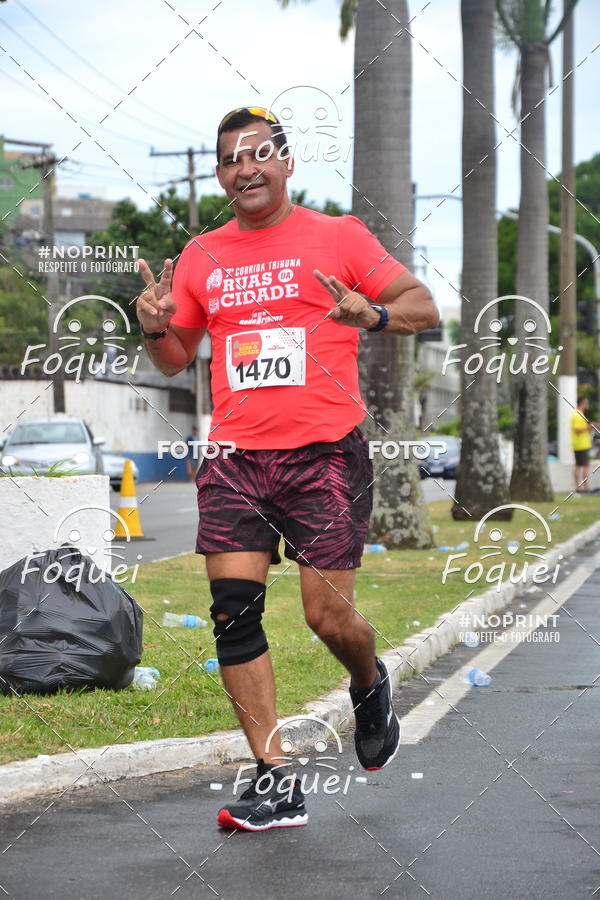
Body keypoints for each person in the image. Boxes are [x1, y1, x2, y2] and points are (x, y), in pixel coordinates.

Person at [136, 107, 439, 832]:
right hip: (237, 458)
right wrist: (153, 324)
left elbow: (422, 307)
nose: (246, 169)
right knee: (232, 615)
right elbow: (175, 356)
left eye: (260, 155)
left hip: (325, 454)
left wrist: (370, 316)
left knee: (326, 615)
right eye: (232, 160)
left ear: (286, 163)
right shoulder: (203, 255)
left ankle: (369, 685)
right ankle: (275, 780)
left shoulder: (338, 236)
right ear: (219, 175)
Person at [571, 396, 596, 493]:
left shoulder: (578, 414)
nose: (587, 404)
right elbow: (577, 430)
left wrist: (589, 427)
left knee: (578, 465)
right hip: (582, 445)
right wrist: (589, 427)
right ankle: (585, 488)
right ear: (582, 403)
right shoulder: (578, 415)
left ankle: (579, 488)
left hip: (579, 444)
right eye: (586, 402)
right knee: (585, 466)